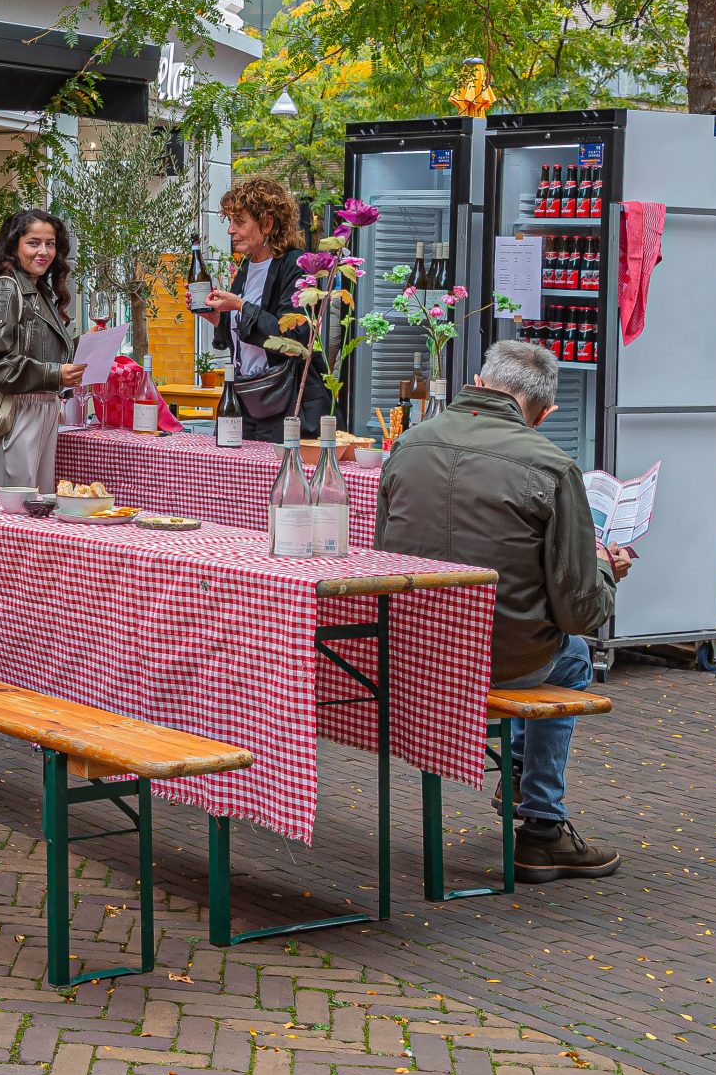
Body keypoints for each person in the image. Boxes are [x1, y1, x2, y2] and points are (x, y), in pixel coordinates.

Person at [374, 339, 632, 884]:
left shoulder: (409, 443)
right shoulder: (550, 465)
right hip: (501, 660)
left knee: (551, 647)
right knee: (573, 656)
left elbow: (382, 553)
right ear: (543, 412)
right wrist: (608, 569)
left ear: (478, 381)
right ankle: (542, 826)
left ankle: (517, 776)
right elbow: (579, 611)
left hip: (407, 650)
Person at [197, 176, 328, 443]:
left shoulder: (297, 265)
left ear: (267, 224)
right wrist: (217, 318)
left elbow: (294, 339)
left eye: (240, 221)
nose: (230, 230)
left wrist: (240, 305)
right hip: (247, 399)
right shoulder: (247, 267)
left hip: (286, 404)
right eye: (230, 221)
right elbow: (245, 337)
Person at [0, 207, 82, 490]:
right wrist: (54, 374)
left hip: (40, 408)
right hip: (14, 410)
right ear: (13, 246)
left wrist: (83, 347)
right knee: (14, 503)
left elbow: (40, 352)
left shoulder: (40, 291)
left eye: (50, 244)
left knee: (36, 502)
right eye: (33, 243)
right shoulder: (6, 289)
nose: (43, 251)